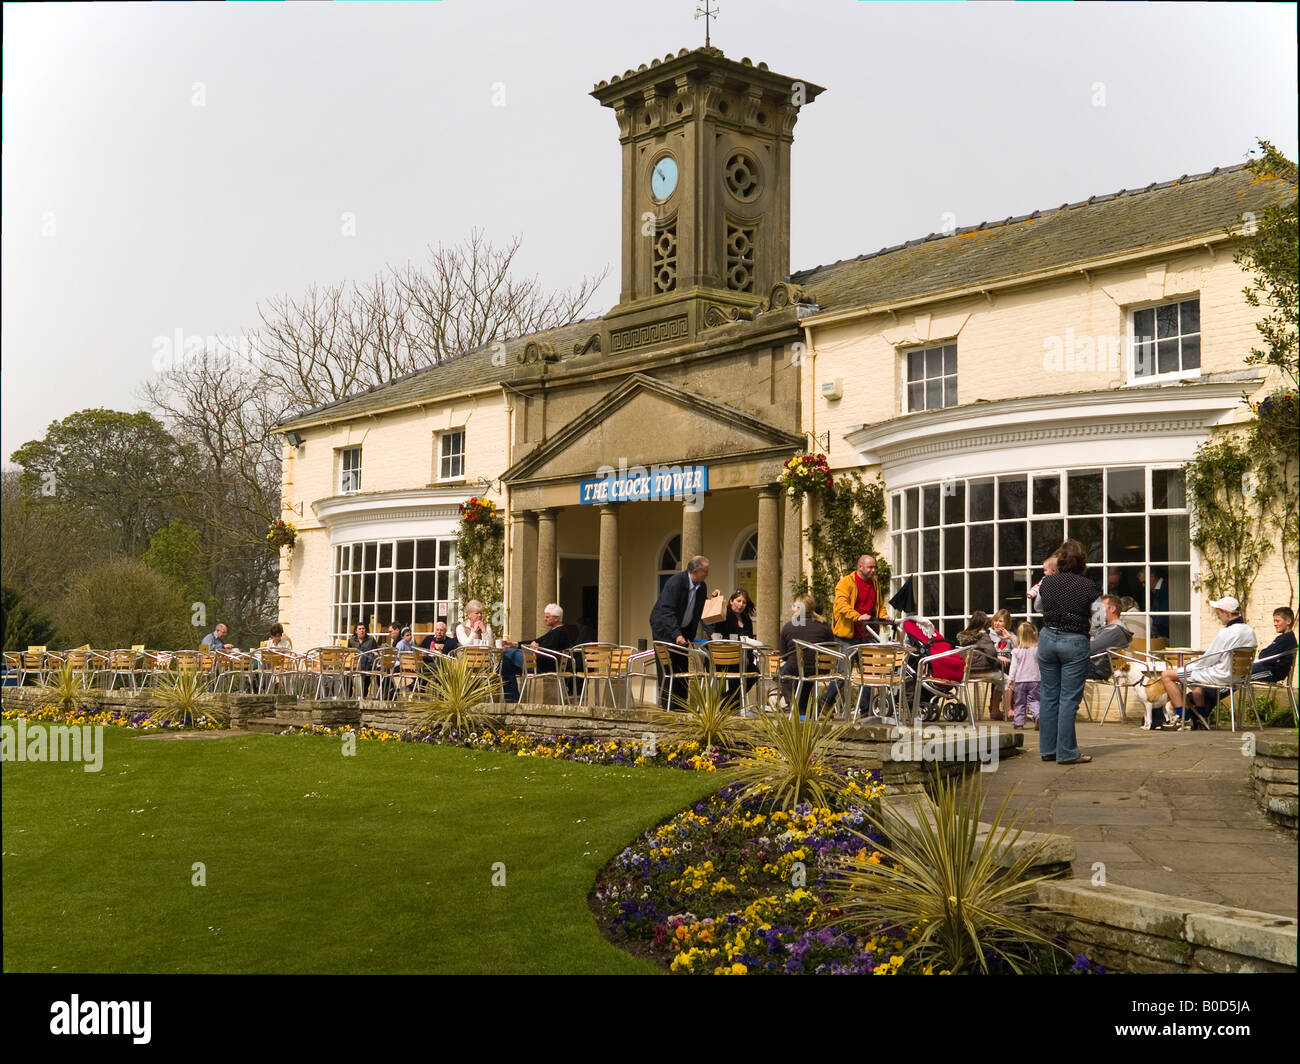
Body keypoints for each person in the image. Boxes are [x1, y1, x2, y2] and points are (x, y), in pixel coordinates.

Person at [1037, 539, 1096, 764]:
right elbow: (1099, 616)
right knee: (1069, 699)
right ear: (1082, 562)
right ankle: (1067, 752)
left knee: (1049, 695)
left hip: (1047, 638)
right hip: (1074, 642)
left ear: (1060, 561)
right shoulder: (1088, 586)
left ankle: (1048, 750)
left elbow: (1038, 607)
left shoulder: (1047, 582)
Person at [1159, 596, 1258, 728]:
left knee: (1167, 675)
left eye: (1219, 613)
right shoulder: (1250, 631)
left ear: (1227, 613)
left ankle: (1183, 717)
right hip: (1239, 676)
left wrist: (1189, 664)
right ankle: (1201, 717)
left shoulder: (1226, 633)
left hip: (1221, 675)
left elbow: (1208, 659)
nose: (1218, 617)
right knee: (1194, 674)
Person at [649, 555, 711, 709]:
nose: (707, 574)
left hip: (683, 630)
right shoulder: (676, 583)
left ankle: (681, 707)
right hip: (664, 628)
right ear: (696, 571)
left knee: (682, 665)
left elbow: (700, 613)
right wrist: (676, 634)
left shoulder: (702, 587)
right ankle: (667, 707)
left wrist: (710, 634)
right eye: (705, 571)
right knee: (668, 666)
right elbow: (666, 611)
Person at [777, 593, 840, 716]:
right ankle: (803, 712)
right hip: (819, 669)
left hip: (795, 667)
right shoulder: (824, 626)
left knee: (781, 674)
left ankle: (793, 705)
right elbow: (832, 648)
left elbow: (784, 656)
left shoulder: (788, 627)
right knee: (806, 676)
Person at [500, 603, 573, 702]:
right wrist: (515, 644)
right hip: (538, 663)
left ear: (556, 618)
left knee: (507, 653)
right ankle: (512, 701)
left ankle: (511, 697)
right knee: (506, 665)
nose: (545, 619)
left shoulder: (560, 632)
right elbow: (536, 641)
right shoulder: (553, 631)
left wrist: (537, 649)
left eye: (547, 617)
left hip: (543, 666)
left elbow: (550, 650)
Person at [709, 589, 759, 708]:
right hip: (723, 659)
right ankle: (730, 705)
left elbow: (749, 639)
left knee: (755, 672)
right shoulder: (724, 615)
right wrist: (715, 600)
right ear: (731, 601)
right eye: (738, 601)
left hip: (742, 658)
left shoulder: (746, 620)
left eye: (744, 602)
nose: (741, 604)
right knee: (739, 670)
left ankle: (726, 701)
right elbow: (709, 619)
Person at [957, 610, 1007, 718]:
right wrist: (998, 658)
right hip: (982, 670)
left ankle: (995, 710)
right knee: (1007, 680)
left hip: (967, 671)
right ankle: (999, 710)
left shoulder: (964, 635)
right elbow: (992, 652)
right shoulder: (983, 635)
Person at [832, 555, 887, 650]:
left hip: (868, 634)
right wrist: (857, 617)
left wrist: (883, 615)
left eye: (874, 567)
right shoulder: (846, 582)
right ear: (860, 567)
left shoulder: (875, 583)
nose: (873, 570)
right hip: (848, 636)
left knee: (870, 664)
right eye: (870, 567)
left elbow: (879, 604)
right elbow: (841, 605)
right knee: (846, 664)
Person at [1087, 595, 1133, 680]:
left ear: (1112, 609)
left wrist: (1090, 640)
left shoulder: (1115, 630)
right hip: (1094, 667)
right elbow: (1087, 636)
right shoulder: (1107, 628)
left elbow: (1090, 648)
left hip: (1099, 670)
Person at [1008, 621, 1041, 728]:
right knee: (1034, 700)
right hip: (1035, 679)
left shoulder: (1016, 651)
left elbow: (1013, 667)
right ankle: (1037, 715)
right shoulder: (1037, 649)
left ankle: (1018, 722)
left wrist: (1010, 679)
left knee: (1019, 702)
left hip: (1020, 680)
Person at [1252, 607, 1296, 682]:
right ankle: (1225, 691)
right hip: (1269, 669)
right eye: (1274, 621)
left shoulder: (1285, 639)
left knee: (1243, 673)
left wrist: (1263, 654)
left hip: (1273, 673)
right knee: (1242, 671)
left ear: (1288, 621)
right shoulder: (1287, 637)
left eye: (1278, 621)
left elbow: (1264, 656)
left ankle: (1225, 692)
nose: (1275, 624)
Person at [990, 609, 1018, 719]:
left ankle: (1008, 708)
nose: (997, 623)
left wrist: (1010, 637)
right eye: (995, 621)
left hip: (1009, 666)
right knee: (1005, 679)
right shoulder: (990, 635)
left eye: (1000, 621)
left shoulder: (1010, 635)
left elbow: (1020, 648)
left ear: (1006, 623)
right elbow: (986, 651)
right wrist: (997, 657)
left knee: (1014, 674)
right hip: (994, 665)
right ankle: (1005, 709)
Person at [347, 623, 379, 698]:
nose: (362, 631)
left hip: (367, 665)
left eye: (363, 629)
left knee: (367, 674)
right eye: (360, 629)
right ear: (356, 631)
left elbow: (376, 652)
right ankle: (348, 695)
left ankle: (363, 695)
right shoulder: (351, 641)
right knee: (347, 675)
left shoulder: (371, 640)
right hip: (354, 665)